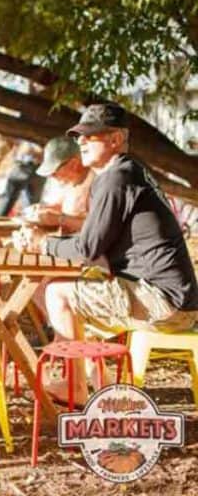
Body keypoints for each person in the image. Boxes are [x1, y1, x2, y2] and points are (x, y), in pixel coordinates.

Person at [17, 103, 198, 405]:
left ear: (116, 140)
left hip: (164, 302)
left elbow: (87, 249)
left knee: (57, 294)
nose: (82, 142)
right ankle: (92, 379)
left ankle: (75, 386)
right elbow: (95, 242)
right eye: (80, 136)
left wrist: (41, 244)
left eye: (91, 135)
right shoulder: (128, 171)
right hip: (175, 298)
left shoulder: (116, 178)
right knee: (83, 286)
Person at [22, 136, 93, 234]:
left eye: (54, 171)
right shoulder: (69, 182)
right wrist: (45, 209)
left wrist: (59, 219)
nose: (51, 176)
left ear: (74, 164)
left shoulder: (96, 184)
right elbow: (68, 206)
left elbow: (98, 227)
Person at [0, 141, 45, 216]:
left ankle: (28, 224)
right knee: (7, 200)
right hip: (22, 164)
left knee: (32, 206)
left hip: (39, 168)